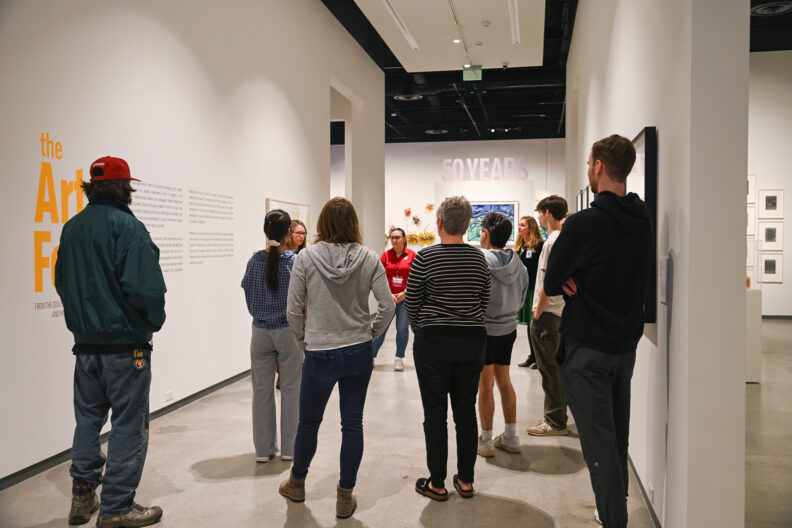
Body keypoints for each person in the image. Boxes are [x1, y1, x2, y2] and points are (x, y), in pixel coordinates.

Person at [545, 135, 652, 527]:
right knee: (616, 438)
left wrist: (572, 277)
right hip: (624, 346)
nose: (589, 170)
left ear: (599, 167)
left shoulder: (585, 223)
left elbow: (554, 280)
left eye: (590, 164)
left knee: (598, 448)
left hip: (587, 349)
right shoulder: (642, 218)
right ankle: (613, 510)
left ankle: (614, 519)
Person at [54, 156, 166, 528]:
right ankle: (117, 506)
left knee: (87, 418)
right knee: (128, 425)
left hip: (84, 346)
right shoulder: (128, 228)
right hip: (125, 346)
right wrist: (151, 323)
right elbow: (145, 289)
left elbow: (62, 282)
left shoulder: (72, 228)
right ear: (123, 188)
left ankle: (82, 499)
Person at [278, 197, 394, 520]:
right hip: (357, 350)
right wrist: (370, 336)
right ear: (353, 224)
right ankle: (345, 496)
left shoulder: (306, 258)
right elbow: (388, 305)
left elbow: (292, 309)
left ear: (322, 224)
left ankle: (297, 483)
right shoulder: (370, 258)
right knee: (352, 423)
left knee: (308, 422)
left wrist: (304, 340)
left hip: (319, 351)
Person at [406, 196, 491, 501]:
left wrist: (422, 328)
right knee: (465, 411)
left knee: (435, 413)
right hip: (471, 341)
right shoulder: (479, 259)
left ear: (439, 222)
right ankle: (466, 480)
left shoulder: (425, 259)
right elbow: (484, 301)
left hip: (433, 343)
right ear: (468, 225)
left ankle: (437, 483)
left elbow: (412, 304)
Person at [241, 209, 302, 463]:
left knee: (261, 391)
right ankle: (290, 449)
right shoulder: (294, 261)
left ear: (265, 232)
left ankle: (263, 451)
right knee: (291, 391)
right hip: (288, 332)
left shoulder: (255, 260)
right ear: (289, 233)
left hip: (260, 332)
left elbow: (247, 291)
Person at [476, 213, 529, 457]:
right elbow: (521, 298)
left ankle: (486, 440)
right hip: (508, 329)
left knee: (485, 384)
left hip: (485, 330)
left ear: (485, 233)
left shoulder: (479, 261)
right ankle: (511, 437)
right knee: (504, 381)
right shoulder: (518, 263)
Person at [527, 195, 569, 437]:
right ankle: (556, 413)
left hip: (548, 312)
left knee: (549, 370)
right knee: (554, 368)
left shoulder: (551, 242)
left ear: (548, 213)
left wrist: (537, 312)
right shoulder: (561, 239)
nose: (538, 217)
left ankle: (555, 421)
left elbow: (547, 282)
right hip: (558, 312)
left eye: (540, 213)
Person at [371, 227, 416, 371]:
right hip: (388, 298)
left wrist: (405, 293)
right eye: (392, 237)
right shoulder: (385, 256)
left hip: (405, 298)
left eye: (397, 237)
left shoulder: (412, 255)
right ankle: (370, 356)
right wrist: (387, 294)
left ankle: (399, 358)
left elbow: (417, 278)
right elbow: (379, 276)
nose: (394, 240)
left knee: (402, 328)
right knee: (380, 328)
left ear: (404, 239)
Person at [515, 216, 545, 369]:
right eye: (519, 225)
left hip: (535, 289)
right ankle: (532, 356)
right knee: (528, 324)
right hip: (524, 289)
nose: (519, 228)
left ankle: (538, 357)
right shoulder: (520, 247)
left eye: (523, 225)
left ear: (531, 228)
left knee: (534, 325)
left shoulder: (539, 246)